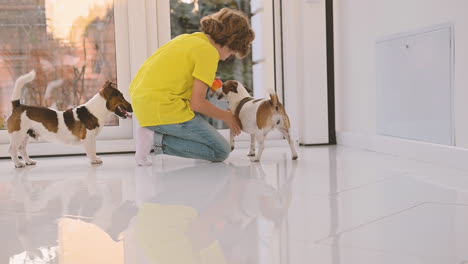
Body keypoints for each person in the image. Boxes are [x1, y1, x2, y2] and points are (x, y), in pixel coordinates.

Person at [130, 8, 255, 166]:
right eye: (231, 51)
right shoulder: (209, 53)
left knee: (203, 106)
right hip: (163, 107)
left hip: (143, 101)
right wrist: (227, 116)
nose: (228, 57)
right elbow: (197, 103)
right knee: (220, 150)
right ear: (229, 42)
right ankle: (155, 139)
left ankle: (152, 135)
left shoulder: (191, 39)